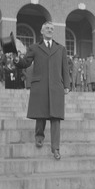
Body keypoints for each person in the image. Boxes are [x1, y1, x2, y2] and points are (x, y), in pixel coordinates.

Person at [14, 21, 70, 160]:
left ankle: (56, 148)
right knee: (41, 114)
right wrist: (16, 60)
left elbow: (65, 68)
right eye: (47, 28)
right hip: (41, 85)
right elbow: (26, 63)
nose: (50, 30)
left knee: (56, 117)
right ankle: (39, 136)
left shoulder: (61, 48)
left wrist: (67, 85)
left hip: (56, 86)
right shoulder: (34, 47)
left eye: (52, 29)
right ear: (42, 31)